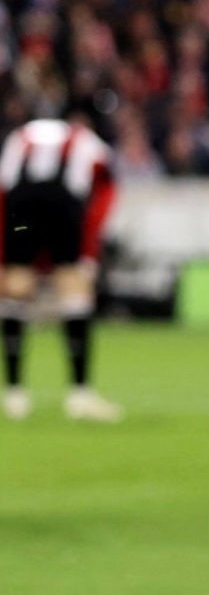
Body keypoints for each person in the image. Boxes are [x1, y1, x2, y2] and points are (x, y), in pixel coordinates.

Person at [0, 115, 123, 422]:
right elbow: (107, 188)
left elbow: (3, 191)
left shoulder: (19, 137)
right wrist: (90, 251)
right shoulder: (86, 141)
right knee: (75, 292)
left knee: (15, 291)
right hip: (64, 208)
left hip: (21, 208)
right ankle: (80, 394)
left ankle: (14, 394)